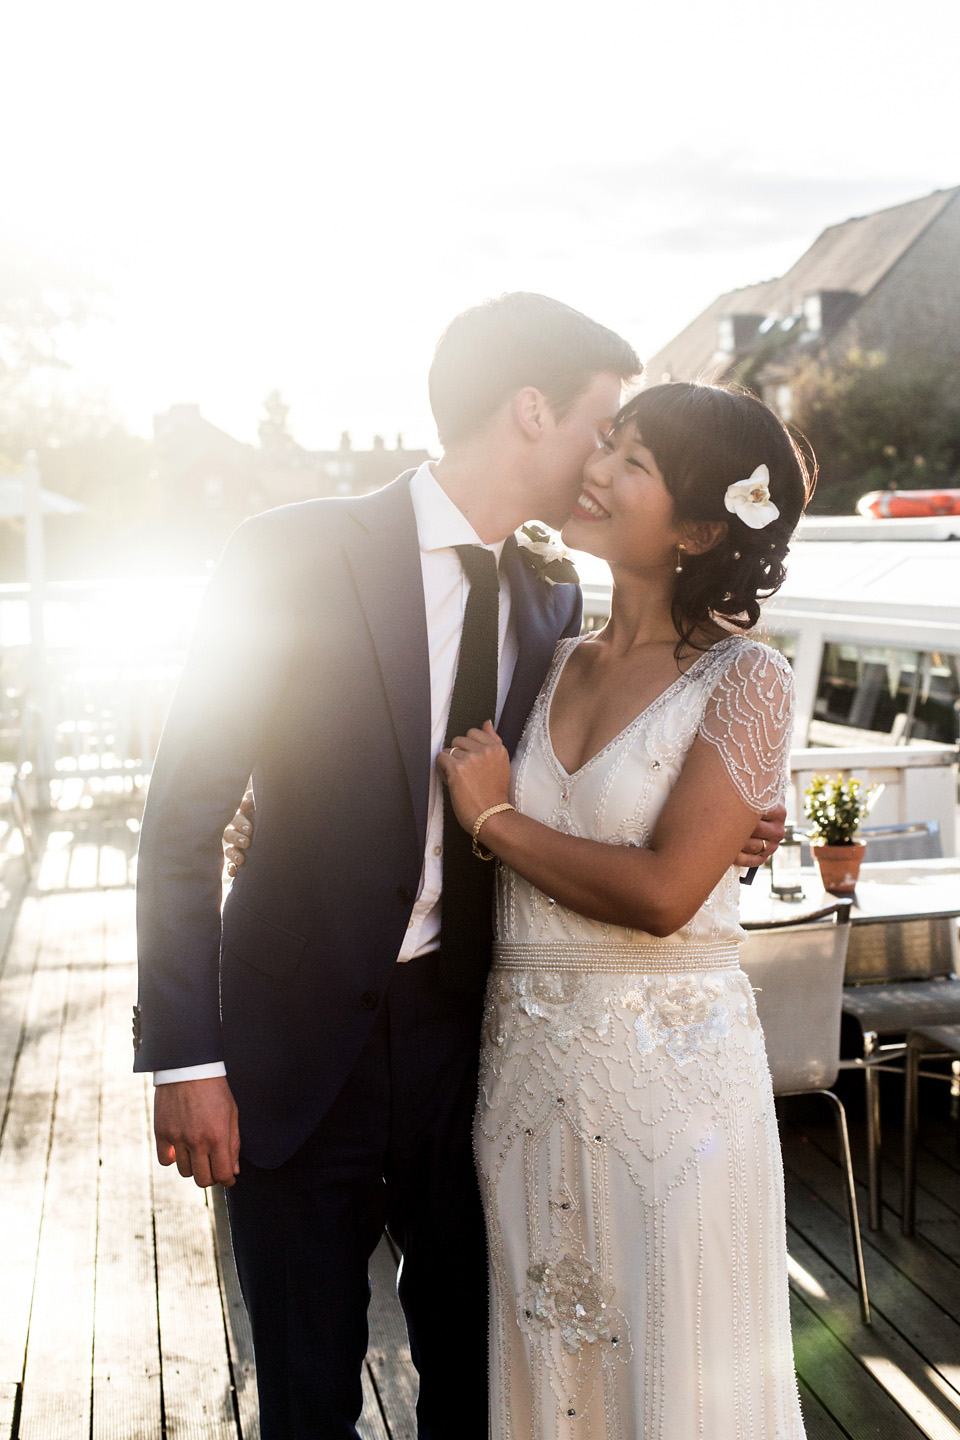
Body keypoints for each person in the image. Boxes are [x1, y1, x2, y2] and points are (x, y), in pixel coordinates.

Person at [135, 294, 780, 1440]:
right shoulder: (287, 552)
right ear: (535, 410)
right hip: (293, 1062)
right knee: (305, 1395)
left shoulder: (556, 601)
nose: (611, 454)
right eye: (608, 424)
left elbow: (598, 783)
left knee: (490, 1390)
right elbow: (185, 817)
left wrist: (728, 824)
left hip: (480, 1059)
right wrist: (187, 1054)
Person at [436, 380, 812, 1439]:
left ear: (699, 527)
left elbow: (661, 895)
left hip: (674, 1092)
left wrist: (497, 820)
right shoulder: (542, 654)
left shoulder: (749, 680)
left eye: (631, 461)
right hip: (523, 1082)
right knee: (546, 1364)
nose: (595, 468)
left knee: (671, 1368)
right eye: (608, 444)